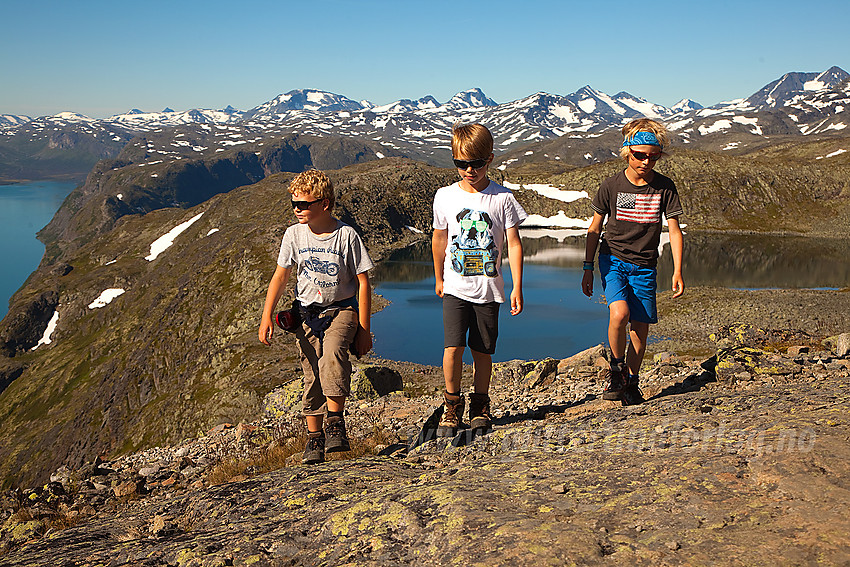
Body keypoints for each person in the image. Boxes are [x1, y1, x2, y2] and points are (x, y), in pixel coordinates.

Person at [259, 169, 374, 464]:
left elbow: (363, 283)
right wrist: (266, 315)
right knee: (311, 373)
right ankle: (314, 440)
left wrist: (363, 329)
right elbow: (281, 276)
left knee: (333, 355)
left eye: (303, 204)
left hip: (342, 309)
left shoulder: (346, 236)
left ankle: (335, 424)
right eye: (294, 204)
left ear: (324, 204)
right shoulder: (293, 235)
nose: (297, 210)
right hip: (306, 313)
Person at [432, 123, 527, 435]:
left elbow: (514, 243)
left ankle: (480, 403)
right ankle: (451, 404)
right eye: (461, 164)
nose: (468, 170)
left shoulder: (503, 198)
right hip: (456, 288)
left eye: (476, 163)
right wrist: (438, 278)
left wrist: (516, 286)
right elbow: (439, 239)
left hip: (488, 290)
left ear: (490, 159)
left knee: (483, 351)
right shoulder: (445, 196)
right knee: (452, 348)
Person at [581, 118, 684, 406]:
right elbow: (594, 228)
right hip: (613, 259)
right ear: (627, 151)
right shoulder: (612, 186)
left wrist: (677, 269)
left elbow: (674, 230)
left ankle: (632, 382)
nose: (646, 161)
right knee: (619, 314)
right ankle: (616, 371)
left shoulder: (665, 187)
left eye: (653, 156)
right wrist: (588, 267)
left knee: (640, 328)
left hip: (646, 267)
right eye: (639, 155)